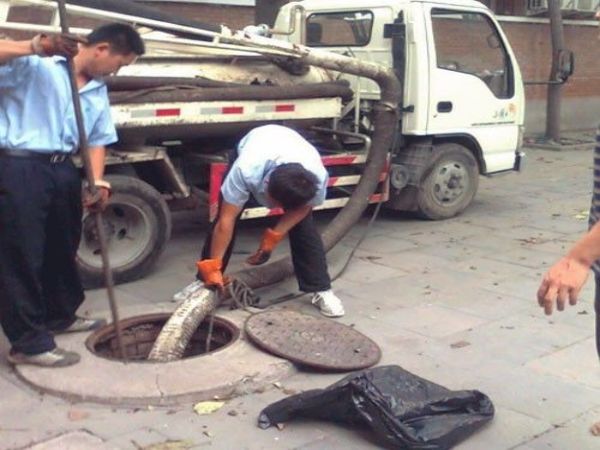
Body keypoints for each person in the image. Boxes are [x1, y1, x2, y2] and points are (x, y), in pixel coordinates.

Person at [0, 24, 145, 367]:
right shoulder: (36, 64)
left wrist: (98, 181)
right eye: (120, 63)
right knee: (21, 254)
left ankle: (59, 315)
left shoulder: (97, 90)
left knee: (62, 246)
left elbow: (96, 139)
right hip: (20, 167)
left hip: (62, 168)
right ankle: (29, 343)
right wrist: (35, 45)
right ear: (102, 49)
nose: (117, 71)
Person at [175, 124, 345, 317]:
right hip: (256, 141)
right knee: (223, 220)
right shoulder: (245, 170)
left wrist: (271, 239)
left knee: (304, 228)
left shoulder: (316, 178)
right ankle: (203, 280)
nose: (273, 208)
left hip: (292, 147)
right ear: (265, 186)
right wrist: (213, 268)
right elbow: (226, 221)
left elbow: (303, 210)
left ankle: (321, 288)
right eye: (273, 203)